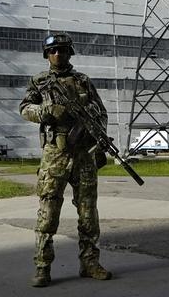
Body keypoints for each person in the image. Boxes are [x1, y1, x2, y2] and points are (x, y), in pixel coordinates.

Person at [19, 33, 112, 287]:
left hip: (83, 155)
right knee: (48, 214)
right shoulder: (39, 82)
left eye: (62, 50)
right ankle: (42, 267)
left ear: (70, 53)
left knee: (88, 214)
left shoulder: (83, 81)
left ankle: (90, 263)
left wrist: (95, 131)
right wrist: (46, 111)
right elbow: (25, 108)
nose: (57, 54)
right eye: (53, 51)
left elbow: (101, 113)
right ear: (46, 55)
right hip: (55, 156)